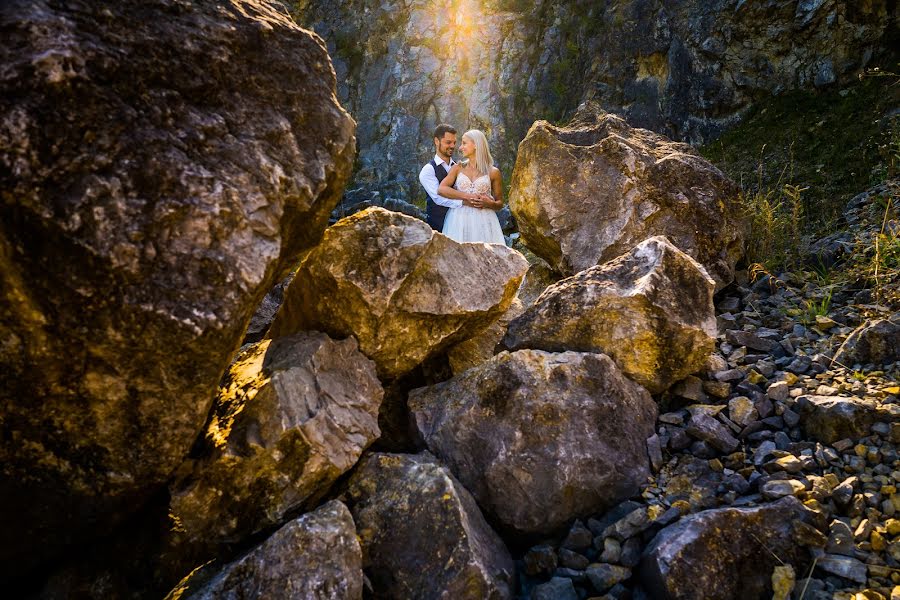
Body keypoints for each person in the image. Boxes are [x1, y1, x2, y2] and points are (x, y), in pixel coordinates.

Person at [418, 124, 492, 232]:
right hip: (439, 226)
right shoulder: (428, 170)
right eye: (448, 142)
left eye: (454, 142)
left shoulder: (460, 167)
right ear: (437, 141)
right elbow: (438, 198)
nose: (452, 146)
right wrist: (465, 201)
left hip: (463, 223)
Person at [437, 129, 506, 244]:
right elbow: (441, 189)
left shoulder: (493, 172)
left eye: (464, 143)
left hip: (485, 220)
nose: (460, 147)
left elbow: (499, 203)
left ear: (476, 145)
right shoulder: (458, 168)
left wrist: (489, 203)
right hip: (458, 219)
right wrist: (467, 196)